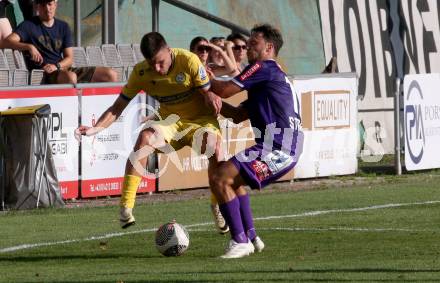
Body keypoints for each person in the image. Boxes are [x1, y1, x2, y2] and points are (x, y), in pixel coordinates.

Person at [75, 32, 223, 230]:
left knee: (215, 148)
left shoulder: (189, 61)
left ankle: (218, 204)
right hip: (171, 123)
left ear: (169, 51)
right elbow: (117, 107)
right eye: (152, 63)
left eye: (160, 62)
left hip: (200, 121)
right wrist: (95, 129)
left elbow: (208, 93)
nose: (157, 68)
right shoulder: (142, 72)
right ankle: (126, 209)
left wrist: (212, 95)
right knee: (145, 137)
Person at [208, 23, 303, 258]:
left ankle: (240, 241)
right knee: (233, 180)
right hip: (281, 147)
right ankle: (251, 236)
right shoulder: (270, 77)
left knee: (220, 178)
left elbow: (225, 90)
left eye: (254, 42)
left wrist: (201, 80)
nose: (248, 46)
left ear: (269, 47)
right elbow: (238, 115)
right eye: (248, 42)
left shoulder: (264, 67)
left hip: (278, 147)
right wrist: (210, 101)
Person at [0, 0, 117, 84]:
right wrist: (29, 47)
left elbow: (70, 58)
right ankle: (74, 112)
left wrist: (57, 66)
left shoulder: (63, 27)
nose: (47, 8)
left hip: (60, 68)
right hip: (44, 72)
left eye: (50, 4)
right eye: (43, 4)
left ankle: (106, 112)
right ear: (37, 7)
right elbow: (5, 42)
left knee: (110, 74)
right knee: (71, 78)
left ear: (55, 4)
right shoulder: (28, 26)